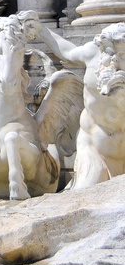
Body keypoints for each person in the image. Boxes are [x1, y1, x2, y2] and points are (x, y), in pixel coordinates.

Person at [21, 12, 125, 189]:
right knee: (86, 195)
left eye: (121, 54)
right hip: (93, 146)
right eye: (110, 51)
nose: (114, 59)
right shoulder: (94, 53)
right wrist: (41, 30)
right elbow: (67, 51)